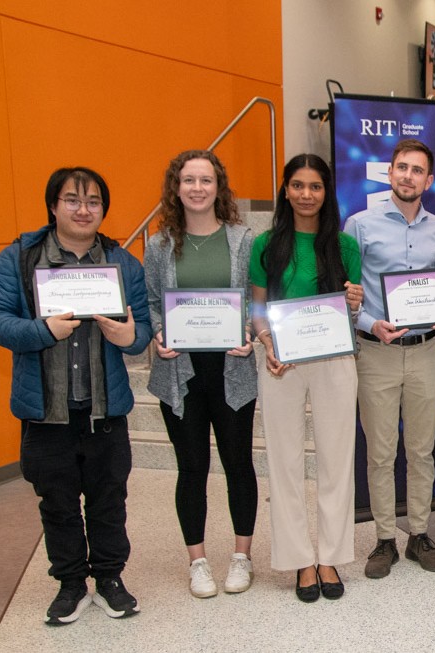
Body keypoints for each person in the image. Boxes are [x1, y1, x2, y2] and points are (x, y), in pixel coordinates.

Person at [0, 167, 151, 624]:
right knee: (56, 504)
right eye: (72, 200)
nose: (83, 209)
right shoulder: (20, 258)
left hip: (104, 411)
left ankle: (110, 578)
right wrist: (42, 330)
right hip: (46, 411)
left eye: (93, 201)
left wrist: (131, 336)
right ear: (53, 206)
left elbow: (142, 329)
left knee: (109, 501)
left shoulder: (122, 262)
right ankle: (71, 584)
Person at [144, 150, 259, 598]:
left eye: (206, 180)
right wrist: (159, 332)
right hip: (180, 372)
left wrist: (249, 331)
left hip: (233, 370)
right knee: (191, 467)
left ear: (218, 187)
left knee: (238, 464)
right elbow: (152, 303)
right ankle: (198, 562)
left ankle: (242, 557)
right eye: (188, 180)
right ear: (176, 188)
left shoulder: (242, 240)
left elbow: (255, 298)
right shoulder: (158, 245)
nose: (197, 188)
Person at [250, 154, 364, 602]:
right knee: (285, 460)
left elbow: (349, 308)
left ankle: (331, 556)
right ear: (285, 190)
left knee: (337, 459)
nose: (306, 194)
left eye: (315, 186)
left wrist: (354, 300)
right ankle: (300, 559)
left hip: (335, 359)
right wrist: (266, 342)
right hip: (282, 361)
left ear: (326, 192)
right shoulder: (265, 244)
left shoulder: (345, 246)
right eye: (297, 185)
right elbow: (257, 307)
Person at [342, 138, 435, 578]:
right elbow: (345, 294)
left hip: (426, 351)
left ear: (429, 180)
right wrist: (372, 324)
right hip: (377, 353)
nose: (409, 176)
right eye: (402, 167)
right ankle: (385, 538)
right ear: (390, 173)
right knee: (381, 453)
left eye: (417, 170)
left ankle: (419, 534)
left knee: (422, 451)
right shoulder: (359, 225)